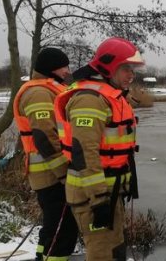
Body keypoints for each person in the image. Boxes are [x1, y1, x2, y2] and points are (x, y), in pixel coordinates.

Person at [54, 37, 144, 260]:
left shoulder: (110, 96)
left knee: (115, 247)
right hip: (94, 195)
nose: (131, 75)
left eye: (132, 69)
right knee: (101, 252)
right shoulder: (89, 100)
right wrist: (99, 199)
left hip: (110, 191)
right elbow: (85, 152)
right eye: (125, 69)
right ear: (109, 67)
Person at [13, 47, 79, 261]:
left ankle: (42, 257)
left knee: (52, 229)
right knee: (63, 232)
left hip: (51, 174)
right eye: (64, 67)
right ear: (52, 68)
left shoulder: (50, 89)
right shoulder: (39, 93)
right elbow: (44, 137)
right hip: (51, 175)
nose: (67, 72)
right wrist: (64, 173)